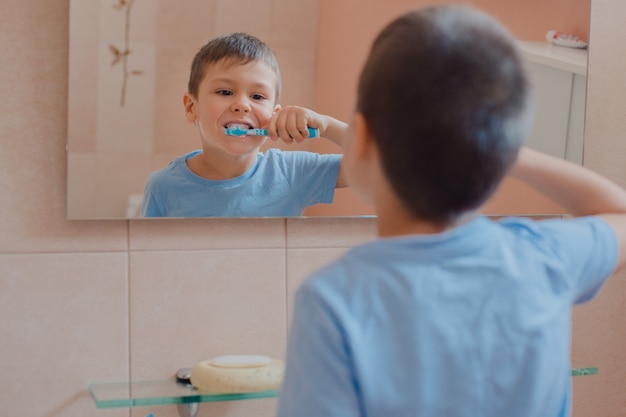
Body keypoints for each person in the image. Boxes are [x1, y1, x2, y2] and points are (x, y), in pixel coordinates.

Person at [276, 5, 626, 417]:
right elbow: (617, 212)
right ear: (497, 155)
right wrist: (506, 151)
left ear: (362, 140)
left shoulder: (335, 302)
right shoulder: (541, 259)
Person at [142, 32, 347, 217]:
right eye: (225, 92)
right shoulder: (163, 187)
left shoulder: (292, 173)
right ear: (190, 108)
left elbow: (377, 160)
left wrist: (327, 126)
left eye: (257, 96)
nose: (242, 105)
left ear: (274, 114)